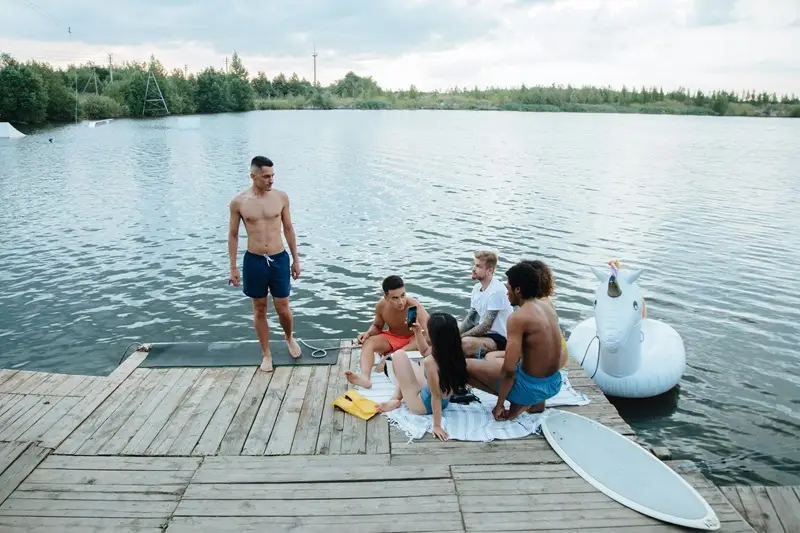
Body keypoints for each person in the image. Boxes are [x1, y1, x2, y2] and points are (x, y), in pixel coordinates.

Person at [466, 260, 567, 421]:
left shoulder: (518, 318)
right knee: (505, 360)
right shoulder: (547, 305)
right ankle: (532, 403)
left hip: (530, 387)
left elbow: (509, 370)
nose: (506, 293)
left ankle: (519, 401)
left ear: (518, 290)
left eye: (508, 288)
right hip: (553, 383)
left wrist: (499, 405)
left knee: (464, 367)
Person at [228, 156, 301, 373]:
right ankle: (266, 353)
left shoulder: (280, 197)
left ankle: (289, 337)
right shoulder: (239, 202)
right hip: (254, 260)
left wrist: (296, 259)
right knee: (259, 309)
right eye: (266, 176)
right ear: (253, 176)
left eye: (272, 176)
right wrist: (233, 267)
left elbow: (288, 228)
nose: (271, 180)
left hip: (279, 259)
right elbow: (233, 235)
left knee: (283, 308)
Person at [376, 312, 469, 441]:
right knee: (411, 366)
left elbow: (435, 396)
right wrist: (418, 331)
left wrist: (436, 426)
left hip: (422, 405)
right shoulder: (453, 351)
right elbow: (425, 351)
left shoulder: (431, 362)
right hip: (444, 402)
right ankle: (397, 397)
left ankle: (395, 399)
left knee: (398, 355)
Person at [345, 275, 428, 389]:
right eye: (395, 298)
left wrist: (390, 356)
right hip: (393, 337)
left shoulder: (415, 306)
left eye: (403, 295)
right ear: (386, 297)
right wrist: (367, 333)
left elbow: (430, 331)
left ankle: (392, 355)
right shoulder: (381, 306)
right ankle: (365, 377)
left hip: (412, 339)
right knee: (368, 342)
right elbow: (377, 326)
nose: (401, 302)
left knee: (427, 338)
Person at [458, 251, 513, 357]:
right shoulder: (476, 288)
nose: (473, 269)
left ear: (490, 270)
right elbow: (470, 319)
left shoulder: (497, 290)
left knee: (464, 343)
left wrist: (459, 337)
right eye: (474, 264)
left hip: (500, 338)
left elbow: (486, 326)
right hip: (486, 334)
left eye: (478, 266)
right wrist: (455, 334)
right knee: (446, 328)